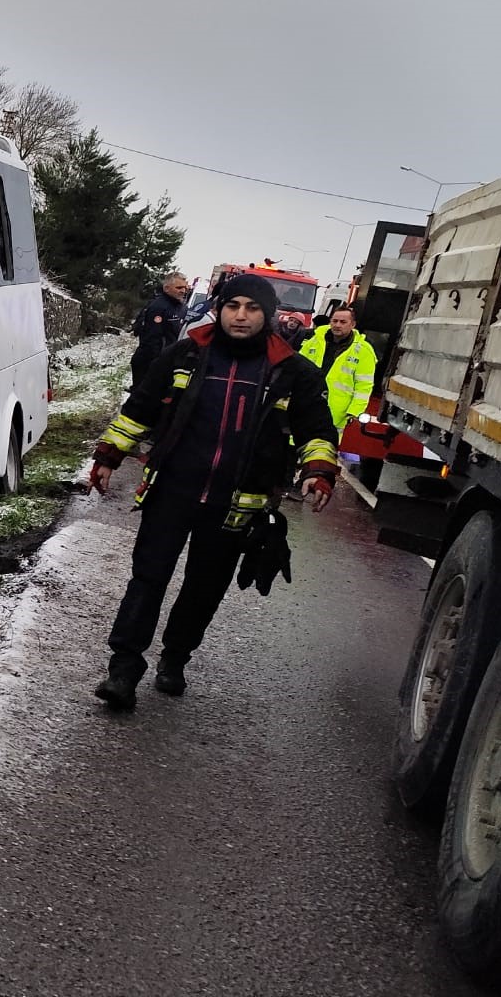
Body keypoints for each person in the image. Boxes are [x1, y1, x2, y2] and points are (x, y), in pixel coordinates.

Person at [88, 274, 340, 709]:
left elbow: (316, 429)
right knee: (147, 579)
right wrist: (109, 455)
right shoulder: (184, 354)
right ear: (219, 308)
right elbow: (140, 408)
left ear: (268, 315)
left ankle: (175, 658)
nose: (241, 315)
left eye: (252, 308)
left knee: (204, 587)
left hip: (236, 505)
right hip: (172, 491)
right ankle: (123, 669)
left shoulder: (293, 371)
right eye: (232, 305)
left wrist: (318, 470)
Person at [296, 303, 378, 437]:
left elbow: (364, 386)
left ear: (352, 325)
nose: (337, 325)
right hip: (305, 405)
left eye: (343, 322)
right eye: (334, 321)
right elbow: (296, 368)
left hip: (335, 414)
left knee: (322, 453)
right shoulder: (314, 341)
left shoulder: (364, 351)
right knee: (294, 448)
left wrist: (355, 411)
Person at [130, 271, 191, 388]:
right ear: (167, 288)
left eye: (185, 288)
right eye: (179, 287)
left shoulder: (181, 307)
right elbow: (151, 339)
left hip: (168, 361)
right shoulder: (158, 307)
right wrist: (159, 363)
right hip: (151, 362)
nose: (183, 291)